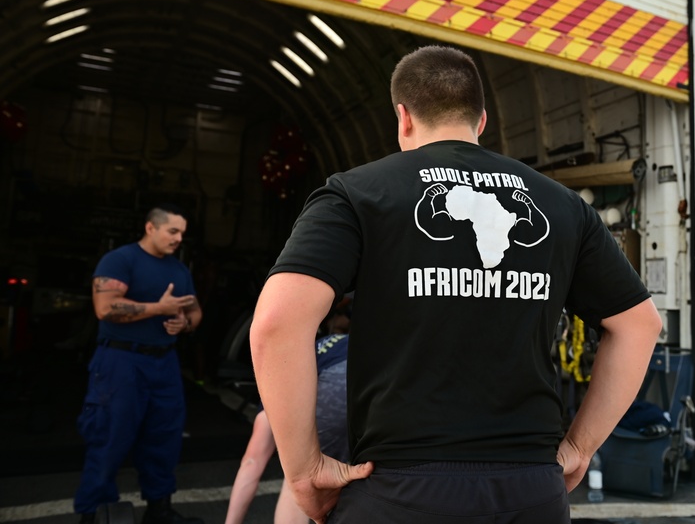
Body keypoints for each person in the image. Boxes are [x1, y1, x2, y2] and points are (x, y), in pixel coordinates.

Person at [250, 45, 662, 523]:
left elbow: (278, 323)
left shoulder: (356, 193)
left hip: (399, 489)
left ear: (403, 118)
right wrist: (579, 446)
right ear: (481, 121)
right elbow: (639, 326)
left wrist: (304, 469)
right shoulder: (564, 205)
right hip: (530, 490)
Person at [74, 204, 204, 524]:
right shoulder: (120, 260)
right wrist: (159, 309)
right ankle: (94, 513)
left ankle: (159, 511)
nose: (178, 239)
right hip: (121, 361)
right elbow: (105, 307)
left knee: (165, 436)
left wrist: (183, 323)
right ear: (151, 228)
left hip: (163, 363)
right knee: (110, 435)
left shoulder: (179, 270)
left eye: (182, 233)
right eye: (172, 231)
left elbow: (195, 311)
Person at [225, 302, 351, 524]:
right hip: (382, 384)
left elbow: (253, 461)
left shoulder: (282, 376)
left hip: (338, 384)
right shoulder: (321, 347)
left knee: (300, 474)